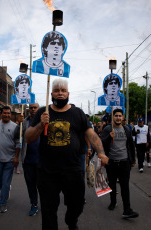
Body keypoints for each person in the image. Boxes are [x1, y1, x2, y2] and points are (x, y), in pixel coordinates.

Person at [25, 79, 108, 230]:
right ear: (51, 94)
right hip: (47, 172)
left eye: (63, 91)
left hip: (73, 170)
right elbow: (28, 138)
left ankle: (71, 220)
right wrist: (40, 125)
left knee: (76, 204)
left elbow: (91, 134)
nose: (60, 93)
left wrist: (101, 153)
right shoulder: (42, 112)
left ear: (68, 93)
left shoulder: (78, 113)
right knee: (48, 211)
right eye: (57, 91)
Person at [100, 109, 139, 219]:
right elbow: (101, 143)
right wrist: (109, 137)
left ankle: (127, 210)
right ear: (113, 117)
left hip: (124, 162)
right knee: (112, 184)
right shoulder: (108, 129)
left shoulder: (127, 129)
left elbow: (131, 145)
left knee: (125, 186)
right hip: (111, 162)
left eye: (120, 116)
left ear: (122, 118)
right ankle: (113, 202)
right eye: (116, 115)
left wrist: (132, 160)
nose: (118, 118)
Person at [19, 103, 40, 216]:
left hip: (42, 161)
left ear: (38, 109)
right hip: (27, 160)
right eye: (31, 108)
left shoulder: (44, 120)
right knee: (31, 185)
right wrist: (20, 123)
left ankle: (46, 204)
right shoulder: (25, 121)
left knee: (42, 185)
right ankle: (34, 205)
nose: (32, 109)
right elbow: (17, 135)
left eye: (34, 108)